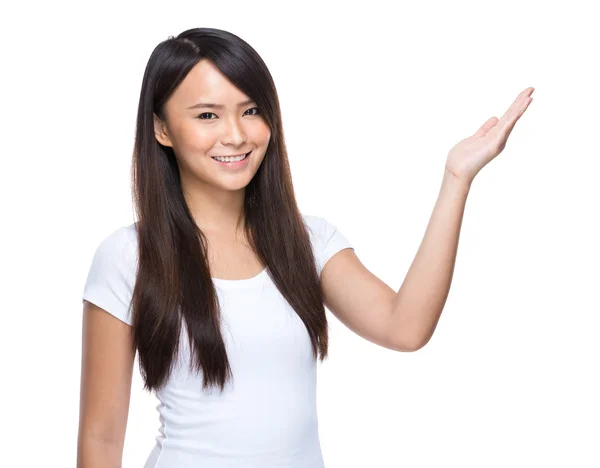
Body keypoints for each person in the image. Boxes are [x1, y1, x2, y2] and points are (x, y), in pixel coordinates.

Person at [77, 27, 534, 468]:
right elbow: (101, 438)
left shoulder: (308, 243)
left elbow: (405, 327)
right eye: (207, 115)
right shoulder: (128, 257)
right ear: (161, 129)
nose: (236, 134)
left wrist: (457, 178)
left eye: (252, 110)